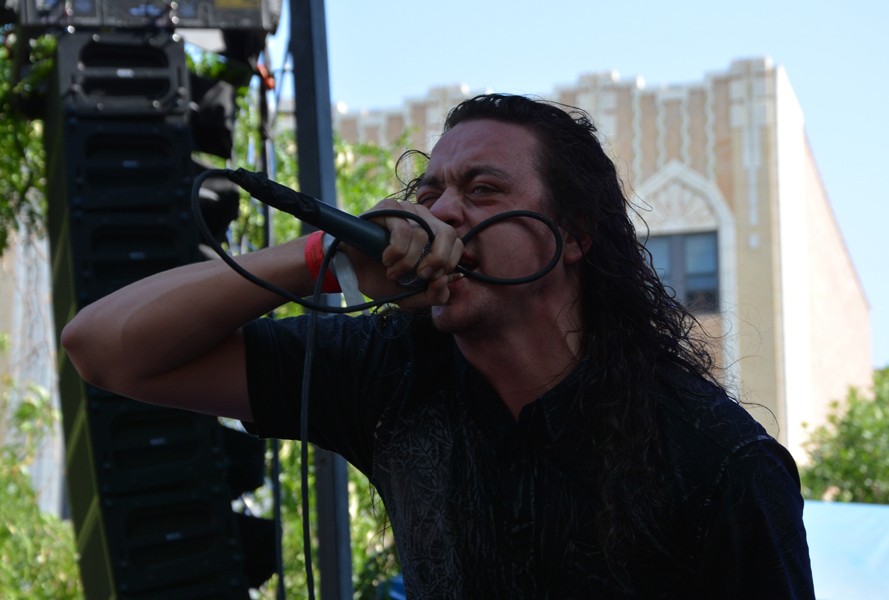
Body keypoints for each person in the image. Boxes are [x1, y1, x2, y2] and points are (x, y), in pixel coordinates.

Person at [62, 94, 815, 598]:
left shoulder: (717, 457)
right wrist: (326, 253)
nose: (443, 214)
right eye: (428, 196)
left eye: (483, 191)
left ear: (576, 234)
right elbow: (103, 347)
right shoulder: (390, 368)